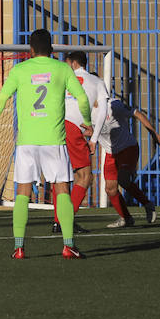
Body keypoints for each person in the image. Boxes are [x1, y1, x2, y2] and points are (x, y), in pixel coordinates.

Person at [0, 29, 92, 259]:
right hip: (54, 140)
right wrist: (88, 123)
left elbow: (2, 97)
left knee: (22, 192)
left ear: (30, 50)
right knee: (62, 189)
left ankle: (19, 248)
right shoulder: (61, 69)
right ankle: (68, 245)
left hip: (27, 143)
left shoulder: (19, 70)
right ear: (51, 49)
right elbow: (82, 98)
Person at [52, 50, 109, 235]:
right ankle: (63, 222)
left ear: (73, 63)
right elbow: (102, 112)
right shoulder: (97, 82)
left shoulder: (61, 79)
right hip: (73, 128)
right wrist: (93, 139)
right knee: (85, 177)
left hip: (54, 126)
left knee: (60, 177)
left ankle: (57, 221)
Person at [97, 97, 160, 228]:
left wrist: (154, 134)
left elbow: (137, 113)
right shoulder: (82, 111)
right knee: (110, 189)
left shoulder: (113, 105)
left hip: (127, 148)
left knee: (123, 179)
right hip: (110, 152)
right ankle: (126, 218)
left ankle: (147, 204)